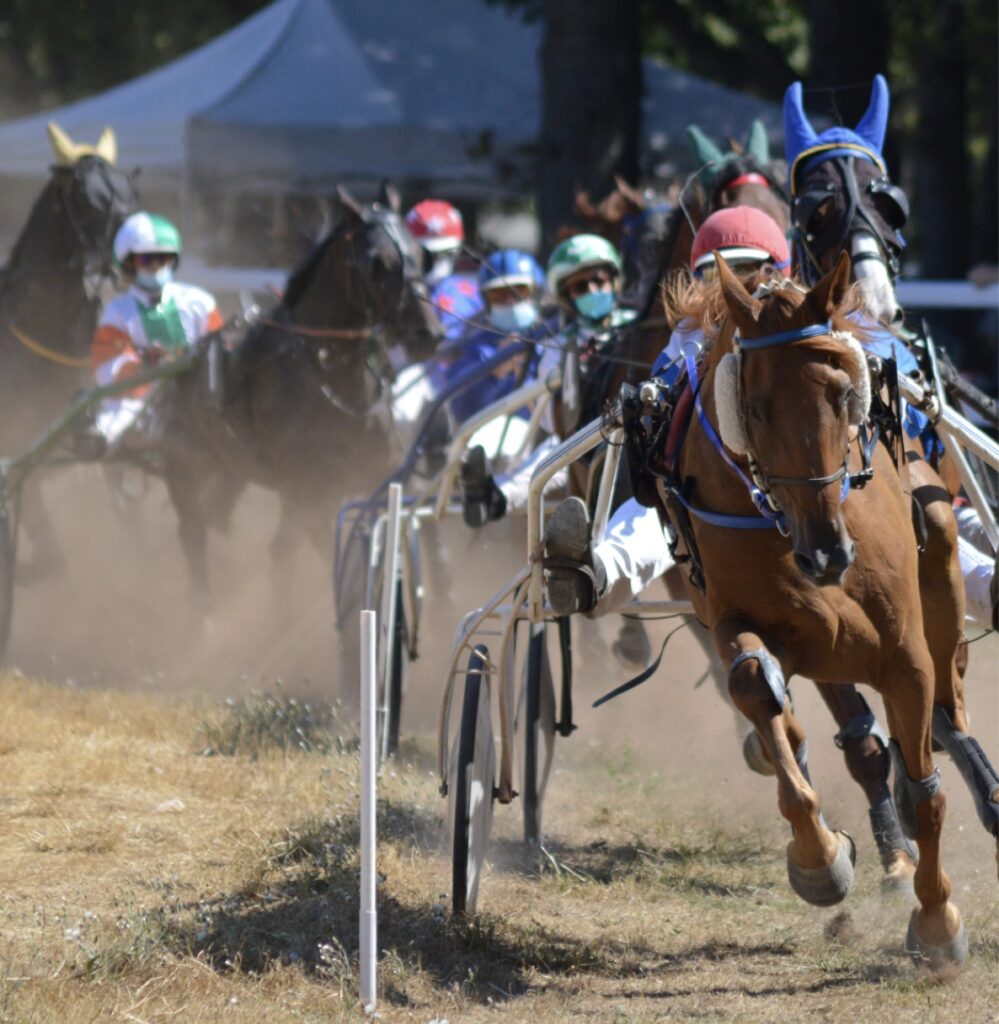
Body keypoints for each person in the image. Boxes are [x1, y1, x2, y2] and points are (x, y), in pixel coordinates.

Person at [542, 207, 791, 618]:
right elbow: (663, 378)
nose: (733, 284)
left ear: (778, 271)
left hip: (791, 479)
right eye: (716, 273)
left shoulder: (800, 327)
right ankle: (595, 576)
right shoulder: (690, 331)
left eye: (746, 269)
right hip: (703, 482)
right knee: (653, 512)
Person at [460, 233, 634, 526]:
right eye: (581, 286)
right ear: (567, 295)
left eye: (599, 280)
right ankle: (496, 497)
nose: (593, 290)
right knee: (560, 450)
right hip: (589, 437)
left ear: (614, 282)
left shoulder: (640, 328)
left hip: (643, 430)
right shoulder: (560, 347)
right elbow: (554, 422)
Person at [89, 211, 222, 448]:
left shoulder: (200, 302)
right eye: (147, 259)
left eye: (164, 258)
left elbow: (221, 352)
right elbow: (108, 368)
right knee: (107, 433)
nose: (157, 266)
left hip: (195, 395)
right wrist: (144, 363)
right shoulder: (118, 312)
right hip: (138, 401)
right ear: (129, 263)